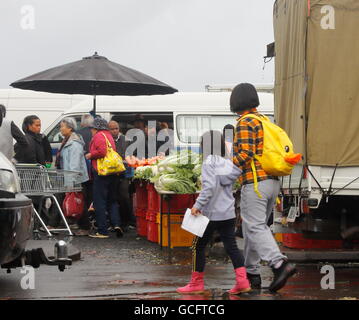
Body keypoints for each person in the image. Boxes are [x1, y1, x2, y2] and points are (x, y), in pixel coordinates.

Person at [230, 83, 297, 292]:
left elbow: (246, 154)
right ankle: (252, 274)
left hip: (256, 183)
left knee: (255, 226)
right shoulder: (264, 120)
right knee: (255, 228)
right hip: (272, 182)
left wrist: (225, 165)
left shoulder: (244, 122)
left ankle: (279, 264)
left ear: (235, 101)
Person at [176, 130, 251, 295]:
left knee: (198, 245)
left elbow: (208, 188)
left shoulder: (209, 162)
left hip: (212, 213)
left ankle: (196, 283)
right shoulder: (228, 162)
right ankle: (242, 281)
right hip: (228, 213)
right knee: (231, 246)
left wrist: (197, 205)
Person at [85, 117, 123, 239]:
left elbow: (102, 152)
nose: (91, 130)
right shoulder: (109, 135)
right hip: (113, 172)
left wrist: (90, 155)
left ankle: (102, 230)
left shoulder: (99, 135)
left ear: (96, 128)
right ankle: (116, 224)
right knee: (112, 200)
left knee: (99, 201)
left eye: (92, 128)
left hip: (102, 172)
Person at [55, 117, 90, 235]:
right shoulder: (67, 140)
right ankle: (57, 223)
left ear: (70, 128)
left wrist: (70, 182)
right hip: (67, 176)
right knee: (75, 200)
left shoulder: (74, 143)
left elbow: (74, 165)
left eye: (62, 126)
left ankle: (85, 226)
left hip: (75, 177)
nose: (61, 129)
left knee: (78, 201)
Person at [108, 120, 136, 231]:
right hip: (111, 173)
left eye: (116, 128)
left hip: (124, 173)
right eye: (112, 129)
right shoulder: (107, 141)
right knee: (113, 197)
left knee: (124, 196)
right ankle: (115, 222)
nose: (115, 131)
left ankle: (128, 221)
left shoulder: (125, 140)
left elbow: (131, 155)